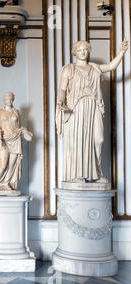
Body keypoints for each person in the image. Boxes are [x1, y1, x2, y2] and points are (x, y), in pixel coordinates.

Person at [56, 40, 129, 184]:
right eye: (80, 50)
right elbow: (62, 89)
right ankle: (78, 174)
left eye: (86, 49)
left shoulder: (95, 67)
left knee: (98, 139)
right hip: (75, 108)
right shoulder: (69, 69)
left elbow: (111, 66)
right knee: (78, 140)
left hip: (94, 106)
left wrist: (122, 51)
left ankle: (95, 173)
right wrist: (60, 101)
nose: (83, 52)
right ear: (74, 52)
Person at [0, 92, 32, 191]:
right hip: (4, 140)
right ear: (4, 100)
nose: (10, 100)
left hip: (16, 140)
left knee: (12, 165)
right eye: (8, 98)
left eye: (11, 98)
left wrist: (24, 131)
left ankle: (6, 183)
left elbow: (18, 126)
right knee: (3, 164)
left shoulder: (16, 112)